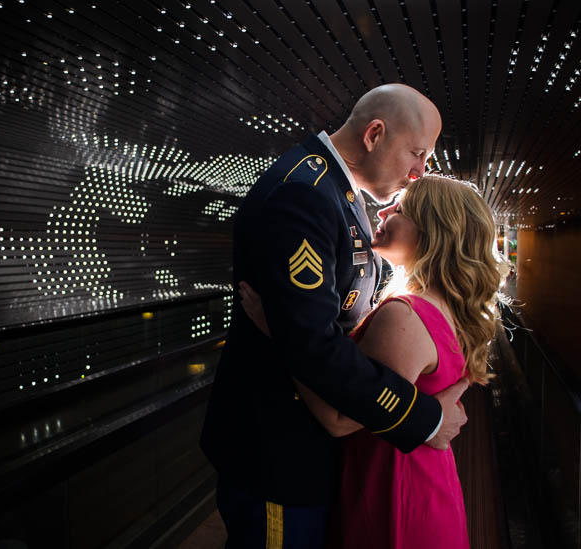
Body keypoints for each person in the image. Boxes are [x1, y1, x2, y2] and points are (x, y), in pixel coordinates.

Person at [199, 83, 468, 548]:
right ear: (375, 134)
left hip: (310, 450)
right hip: (279, 454)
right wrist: (421, 417)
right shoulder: (304, 193)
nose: (418, 173)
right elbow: (312, 343)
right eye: (416, 153)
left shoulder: (337, 194)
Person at [240, 175, 506, 548]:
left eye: (400, 207)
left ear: (432, 230)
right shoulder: (447, 308)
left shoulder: (407, 315)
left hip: (394, 494)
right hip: (425, 485)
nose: (383, 210)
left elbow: (339, 418)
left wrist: (281, 331)